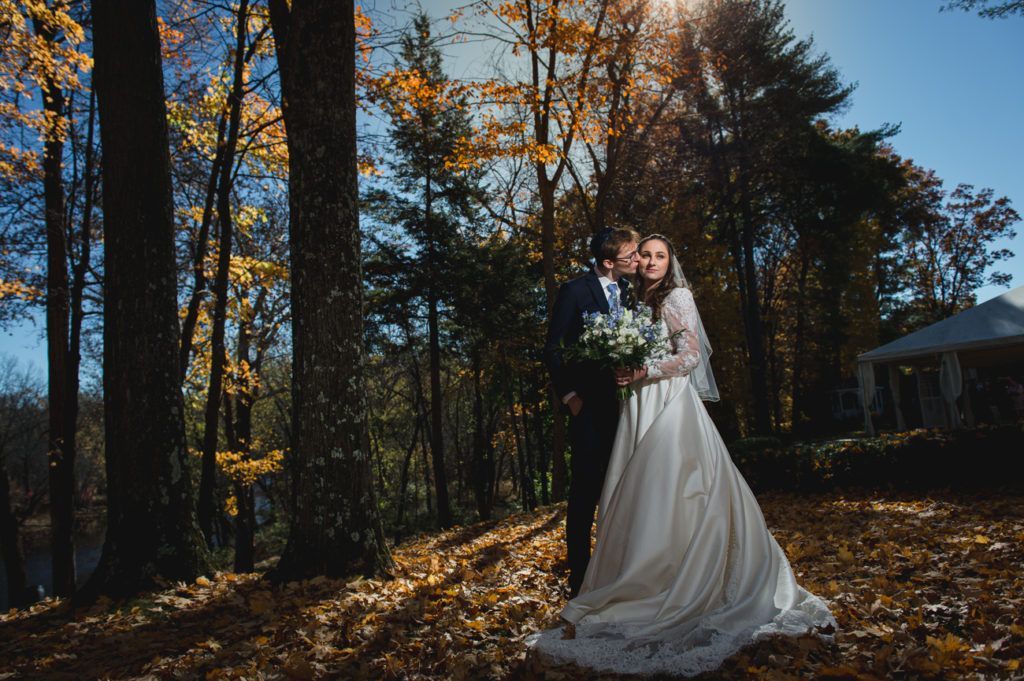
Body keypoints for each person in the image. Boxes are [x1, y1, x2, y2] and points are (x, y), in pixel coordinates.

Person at [530, 234, 835, 677]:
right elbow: (561, 345)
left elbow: (689, 355)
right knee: (633, 495)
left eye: (657, 256)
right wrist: (576, 395)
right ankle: (630, 576)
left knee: (676, 487)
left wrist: (642, 369)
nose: (647, 260)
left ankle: (686, 579)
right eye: (642, 254)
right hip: (631, 406)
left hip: (668, 404)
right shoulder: (635, 300)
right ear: (615, 260)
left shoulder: (676, 297)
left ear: (669, 263)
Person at [543, 226, 640, 598]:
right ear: (607, 262)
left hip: (631, 407)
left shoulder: (633, 293)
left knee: (628, 489)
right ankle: (580, 578)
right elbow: (553, 348)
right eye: (631, 255)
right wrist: (570, 397)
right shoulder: (575, 290)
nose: (638, 260)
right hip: (589, 409)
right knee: (585, 492)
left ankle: (622, 570)